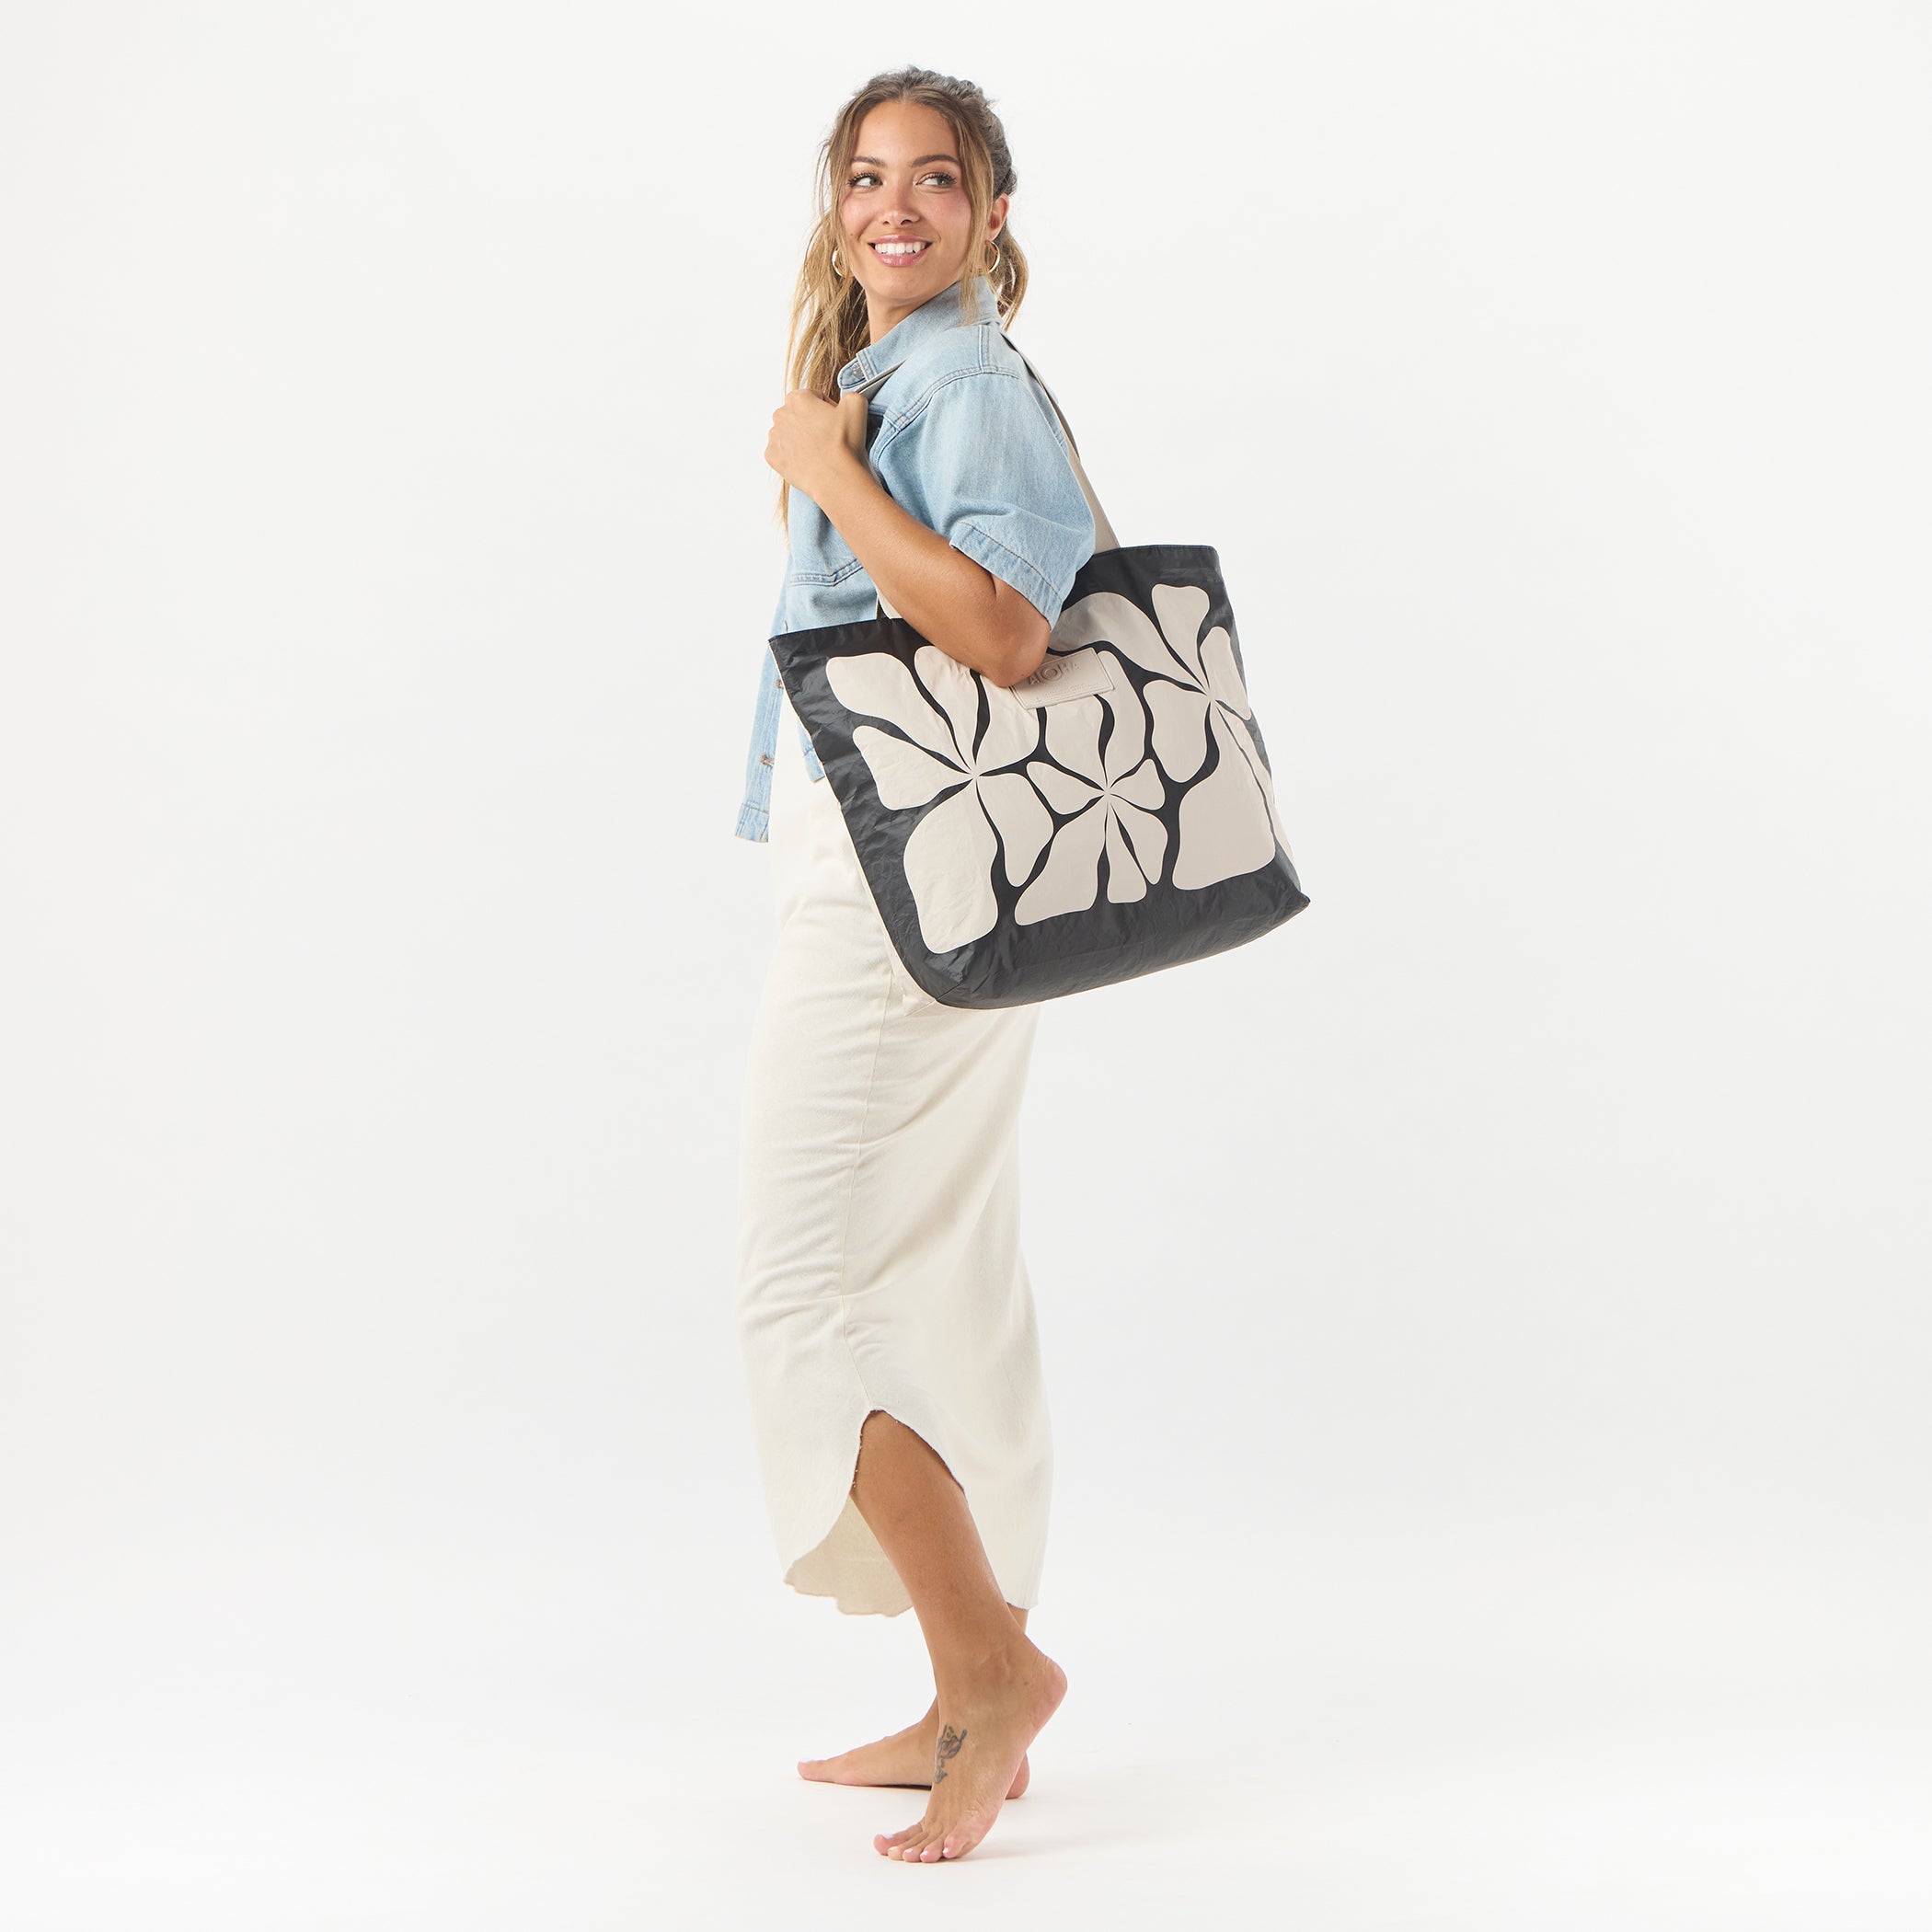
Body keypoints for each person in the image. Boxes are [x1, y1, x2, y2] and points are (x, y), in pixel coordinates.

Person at [731, 67, 1099, 1864]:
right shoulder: (906, 376)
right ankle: (973, 1697)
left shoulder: (953, 383)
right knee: (945, 1273)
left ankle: (990, 1672)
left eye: (935, 179)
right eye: (866, 176)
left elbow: (1007, 633)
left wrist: (823, 470)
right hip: (924, 865)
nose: (894, 205)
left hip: (899, 880)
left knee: (802, 1287)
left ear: (991, 214)